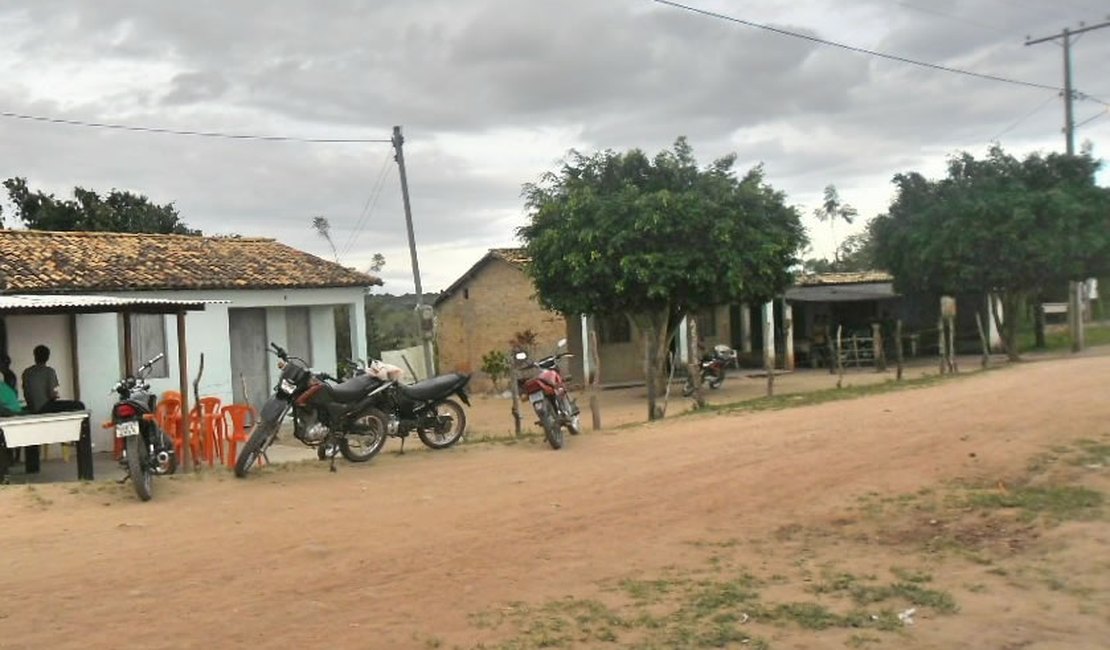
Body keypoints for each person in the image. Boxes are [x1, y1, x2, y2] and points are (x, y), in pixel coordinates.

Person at [21, 344, 59, 414]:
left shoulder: (27, 372)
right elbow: (51, 394)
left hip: (31, 407)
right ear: (48, 357)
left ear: (35, 356)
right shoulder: (49, 371)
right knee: (78, 405)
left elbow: (26, 392)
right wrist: (56, 395)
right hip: (45, 408)